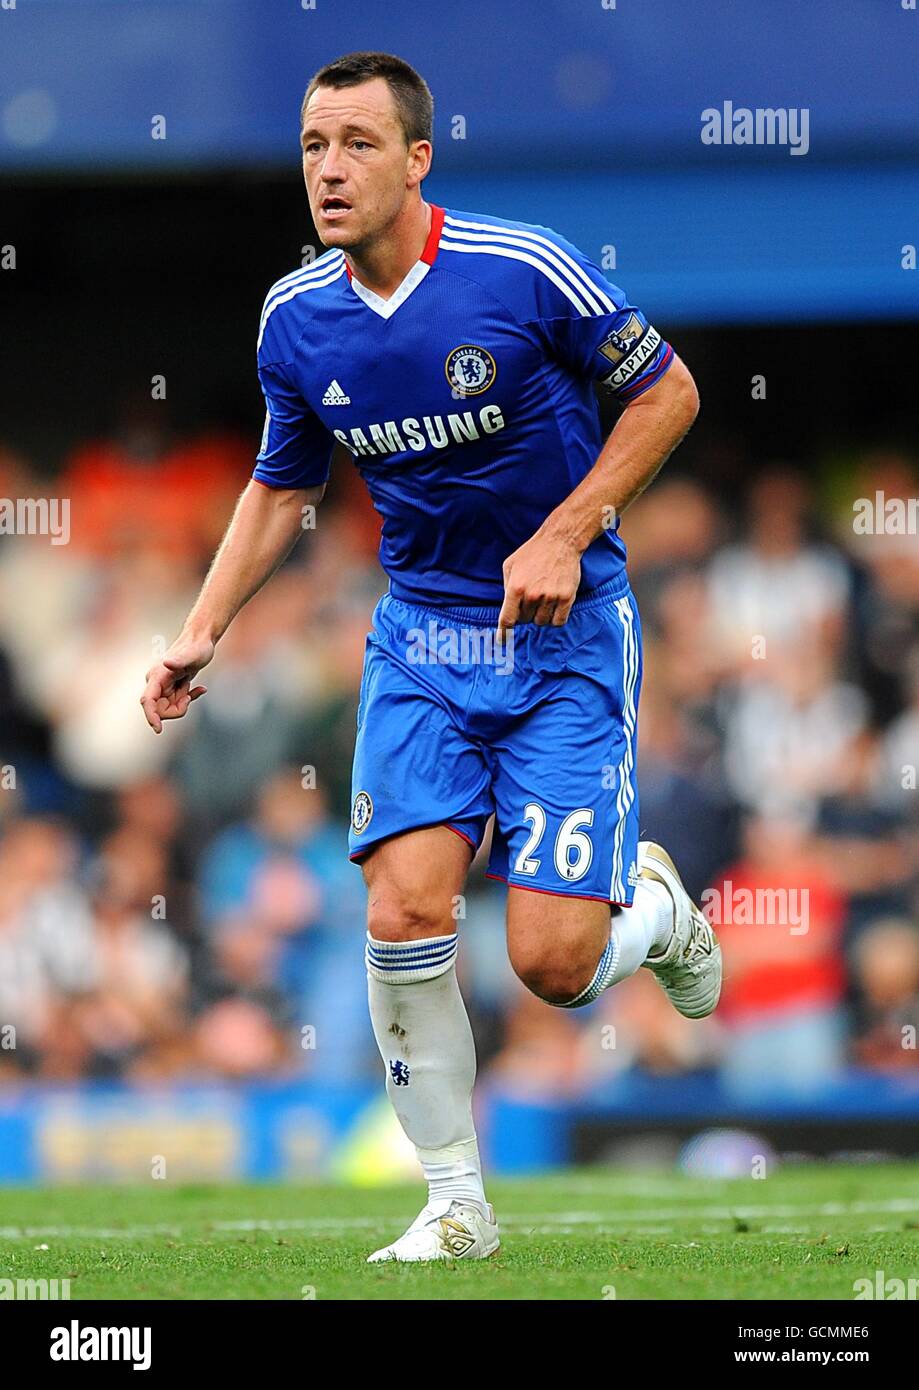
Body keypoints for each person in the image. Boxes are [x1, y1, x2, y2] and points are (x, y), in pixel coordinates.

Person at [140, 50, 720, 1263]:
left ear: (417, 159)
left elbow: (667, 394)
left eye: (357, 143)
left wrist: (568, 528)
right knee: (403, 910)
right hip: (418, 645)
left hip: (561, 641)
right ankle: (455, 1203)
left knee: (553, 964)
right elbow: (280, 481)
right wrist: (203, 627)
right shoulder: (295, 318)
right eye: (311, 146)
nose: (329, 169)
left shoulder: (522, 268)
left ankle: (654, 912)